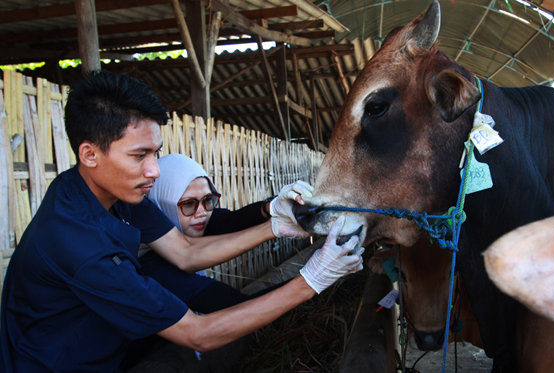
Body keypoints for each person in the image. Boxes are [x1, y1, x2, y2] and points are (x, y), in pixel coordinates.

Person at [0, 70, 363, 373]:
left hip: (106, 349)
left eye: (155, 153)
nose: (154, 170)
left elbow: (185, 252)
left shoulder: (96, 188)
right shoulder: (80, 246)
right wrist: (313, 279)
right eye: (139, 155)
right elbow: (199, 333)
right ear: (90, 154)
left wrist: (273, 225)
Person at [141, 153, 293, 314]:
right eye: (188, 203)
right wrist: (312, 279)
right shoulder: (150, 267)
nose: (201, 213)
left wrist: (272, 206)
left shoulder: (191, 223)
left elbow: (230, 220)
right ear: (161, 203)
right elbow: (236, 307)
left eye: (208, 199)